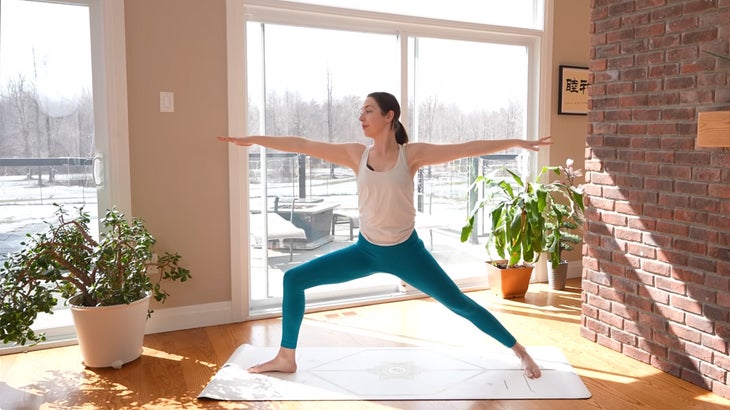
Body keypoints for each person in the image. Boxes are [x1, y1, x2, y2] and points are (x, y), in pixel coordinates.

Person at [218, 91, 552, 379]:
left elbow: (466, 148)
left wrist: (516, 142)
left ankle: (520, 351)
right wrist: (256, 139)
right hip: (366, 251)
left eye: (368, 110)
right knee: (294, 279)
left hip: (408, 253)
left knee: (460, 303)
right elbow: (303, 144)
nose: (360, 116)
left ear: (389, 116)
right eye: (361, 111)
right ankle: (286, 357)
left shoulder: (412, 154)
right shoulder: (355, 154)